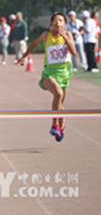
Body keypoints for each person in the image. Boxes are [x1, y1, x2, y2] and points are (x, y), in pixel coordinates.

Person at [16, 13, 76, 142]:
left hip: (64, 73)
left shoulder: (68, 35)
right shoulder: (46, 35)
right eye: (55, 21)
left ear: (64, 24)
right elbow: (33, 44)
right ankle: (55, 124)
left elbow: (74, 52)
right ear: (51, 24)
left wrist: (64, 36)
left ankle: (61, 124)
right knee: (58, 94)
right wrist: (24, 56)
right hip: (49, 73)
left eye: (61, 21)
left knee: (60, 103)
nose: (58, 23)